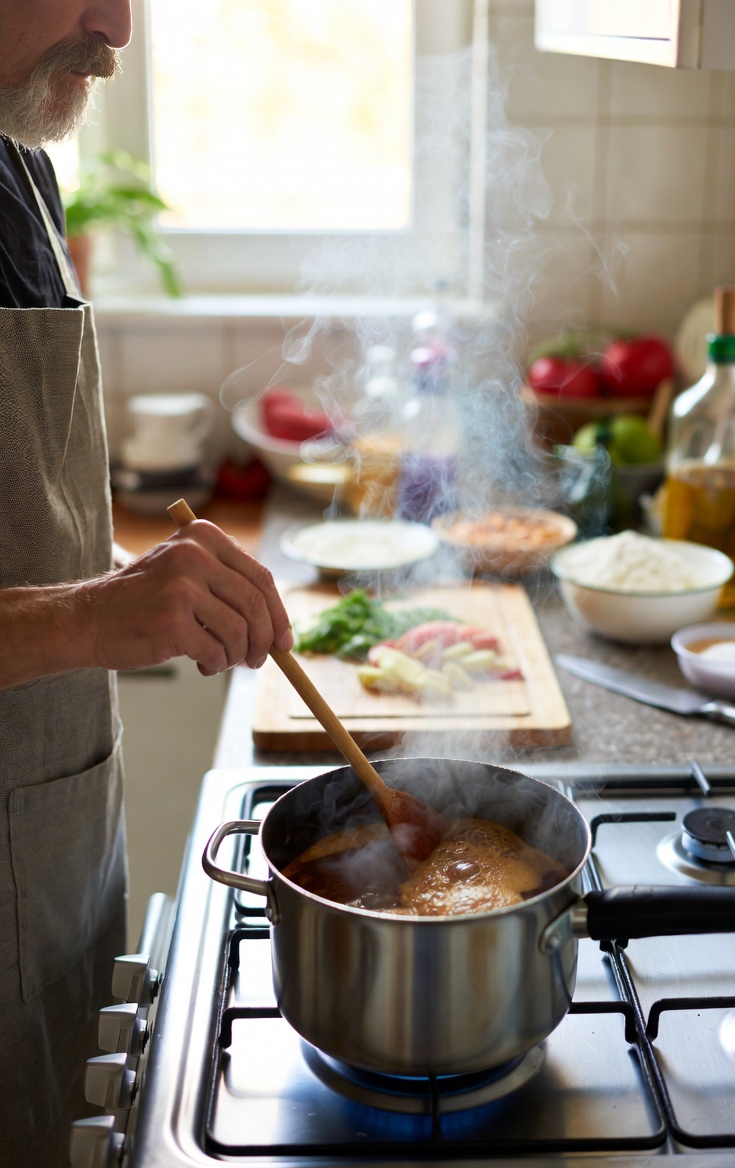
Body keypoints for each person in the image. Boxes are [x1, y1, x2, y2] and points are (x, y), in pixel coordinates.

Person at [0, 3, 293, 1164]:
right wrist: (86, 613)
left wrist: (121, 582)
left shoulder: (19, 167)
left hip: (55, 844)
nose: (116, 23)